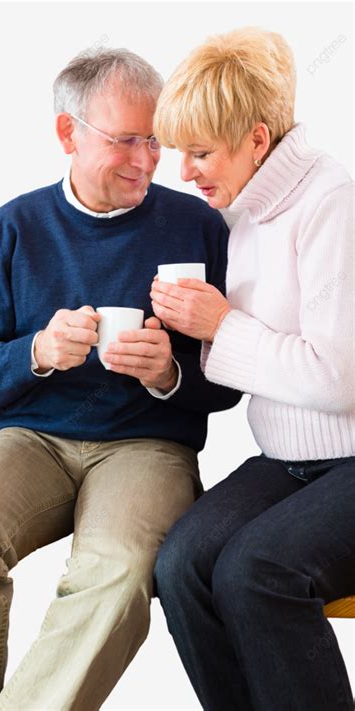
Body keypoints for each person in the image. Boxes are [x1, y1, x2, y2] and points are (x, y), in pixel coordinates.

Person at [0, 47, 241, 711]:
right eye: (125, 141)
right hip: (32, 438)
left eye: (155, 139)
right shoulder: (14, 227)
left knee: (118, 573)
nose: (148, 160)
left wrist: (169, 372)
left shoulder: (201, 226)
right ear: (69, 134)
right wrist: (36, 350)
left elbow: (232, 378)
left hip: (147, 444)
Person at [151, 26, 355, 711]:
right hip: (290, 460)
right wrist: (172, 354)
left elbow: (335, 377)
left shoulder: (333, 201)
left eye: (201, 152)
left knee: (254, 571)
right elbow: (250, 370)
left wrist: (221, 327)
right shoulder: (245, 217)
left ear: (258, 141)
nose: (185, 171)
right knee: (180, 565)